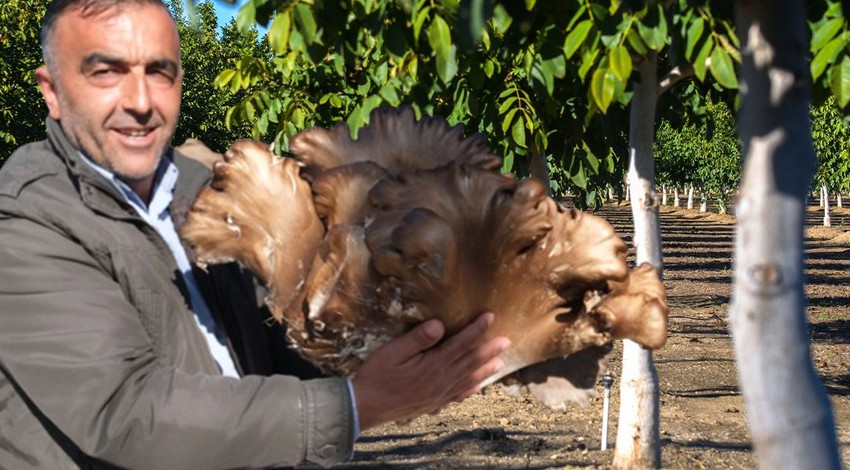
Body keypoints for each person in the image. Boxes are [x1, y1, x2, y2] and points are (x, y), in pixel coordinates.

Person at [0, 1, 510, 468]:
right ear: (53, 91)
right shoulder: (25, 218)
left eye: (160, 72)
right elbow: (128, 413)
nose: (139, 101)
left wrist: (394, 350)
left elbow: (272, 347)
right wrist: (354, 406)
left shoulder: (208, 190)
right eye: (106, 71)